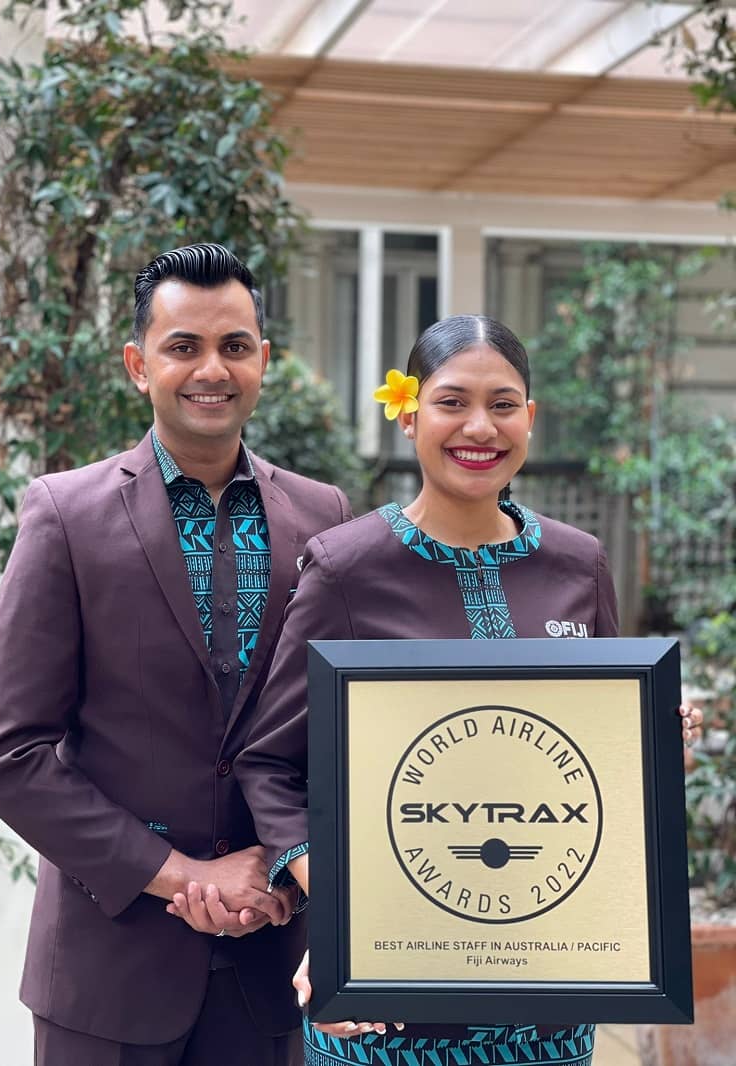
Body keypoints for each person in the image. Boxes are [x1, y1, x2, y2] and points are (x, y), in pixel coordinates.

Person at [170, 314, 703, 1066]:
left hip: (548, 1005)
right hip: (386, 1007)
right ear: (410, 413)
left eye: (503, 404)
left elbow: (595, 773)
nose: (479, 427)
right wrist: (348, 921)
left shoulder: (578, 564)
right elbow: (271, 765)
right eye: (452, 402)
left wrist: (654, 745)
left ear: (530, 418)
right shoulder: (346, 568)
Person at [0, 243, 352, 1066]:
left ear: (263, 361)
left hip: (272, 969)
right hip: (108, 975)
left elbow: (340, 736)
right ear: (139, 365)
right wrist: (180, 874)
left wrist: (289, 881)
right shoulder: (64, 515)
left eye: (234, 346)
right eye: (184, 346)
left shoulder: (324, 517)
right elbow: (8, 755)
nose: (212, 369)